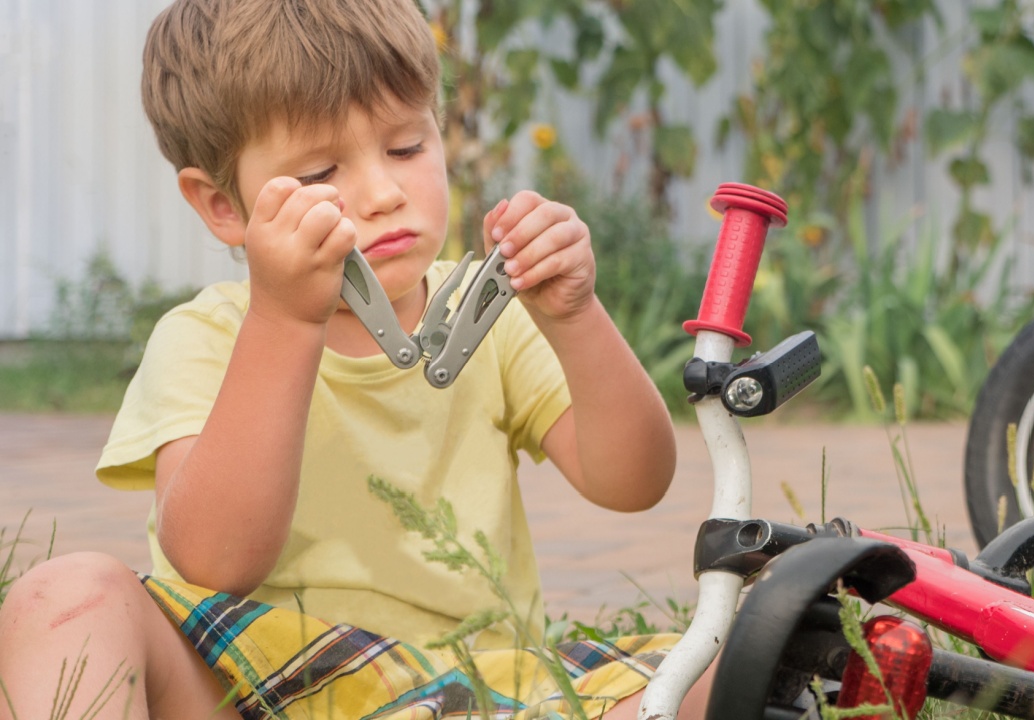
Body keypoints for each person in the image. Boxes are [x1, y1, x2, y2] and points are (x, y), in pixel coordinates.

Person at [0, 0, 699, 717]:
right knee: (64, 599)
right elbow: (214, 562)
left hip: (482, 689)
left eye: (406, 148)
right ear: (221, 205)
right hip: (257, 686)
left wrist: (576, 318)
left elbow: (634, 482)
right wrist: (283, 320)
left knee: (719, 661)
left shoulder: (487, 319)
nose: (383, 194)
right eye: (318, 173)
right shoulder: (206, 336)